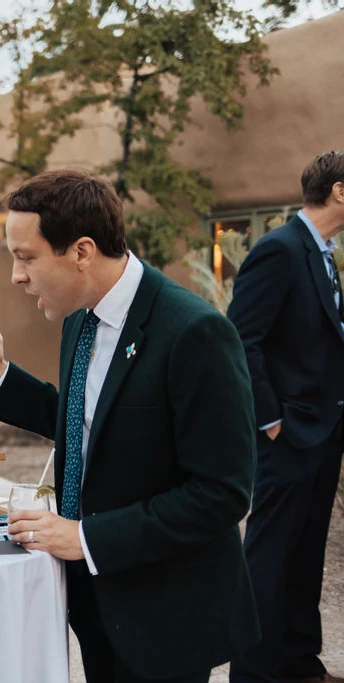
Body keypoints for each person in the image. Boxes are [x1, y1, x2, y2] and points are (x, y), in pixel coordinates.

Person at [0, 170, 259, 683]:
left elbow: (220, 494)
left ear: (81, 251)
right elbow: (86, 422)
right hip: (93, 603)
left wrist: (86, 537)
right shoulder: (79, 319)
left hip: (161, 612)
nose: (16, 276)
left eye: (26, 257)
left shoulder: (195, 332)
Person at [227, 151, 344, 683]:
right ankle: (253, 670)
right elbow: (240, 339)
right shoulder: (279, 250)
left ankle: (297, 656)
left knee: (306, 551)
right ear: (339, 192)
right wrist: (272, 421)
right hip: (288, 433)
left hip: (324, 430)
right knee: (271, 556)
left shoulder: (322, 252)